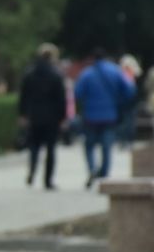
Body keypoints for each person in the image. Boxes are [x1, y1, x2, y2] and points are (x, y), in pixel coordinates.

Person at [73, 48, 136, 188]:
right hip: (109, 115)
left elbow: (77, 93)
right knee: (106, 147)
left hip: (90, 116)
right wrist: (120, 102)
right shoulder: (115, 71)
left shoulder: (87, 74)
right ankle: (104, 174)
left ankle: (92, 169)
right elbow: (129, 90)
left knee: (89, 145)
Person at [18, 42, 67, 190]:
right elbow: (61, 99)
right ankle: (48, 180)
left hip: (34, 115)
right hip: (52, 117)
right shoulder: (56, 75)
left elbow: (23, 96)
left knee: (34, 146)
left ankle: (32, 171)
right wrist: (62, 117)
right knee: (50, 149)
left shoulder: (30, 73)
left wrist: (23, 114)